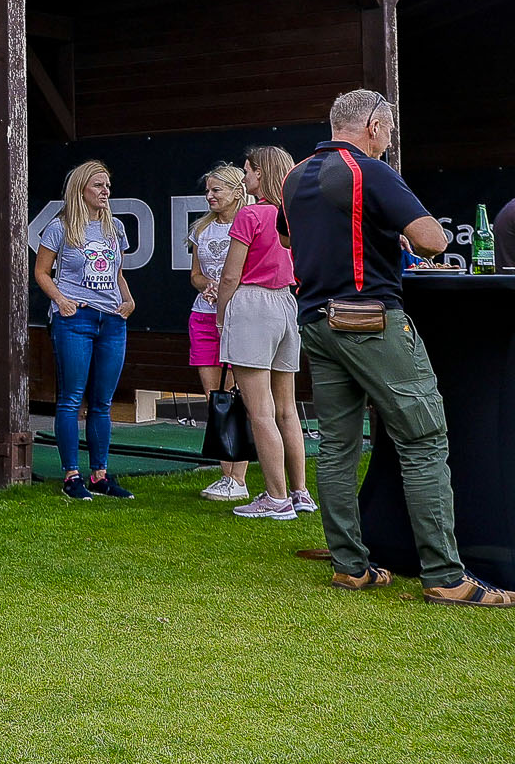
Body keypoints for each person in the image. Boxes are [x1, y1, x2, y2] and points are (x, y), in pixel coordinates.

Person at [286, 89, 512, 605]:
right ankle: (445, 576)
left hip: (316, 321)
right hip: (371, 318)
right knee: (424, 438)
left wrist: (380, 234)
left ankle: (351, 567)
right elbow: (434, 239)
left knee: (339, 448)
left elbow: (303, 238)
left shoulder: (295, 176)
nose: (389, 141)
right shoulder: (370, 171)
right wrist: (400, 231)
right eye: (388, 131)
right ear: (371, 125)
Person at [217, 146, 314, 521]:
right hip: (286, 304)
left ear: (262, 173)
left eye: (248, 171)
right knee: (287, 409)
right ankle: (299, 492)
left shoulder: (251, 214)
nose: (244, 178)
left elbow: (230, 275)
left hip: (252, 305)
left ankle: (275, 499)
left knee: (261, 411)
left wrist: (222, 315)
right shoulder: (294, 215)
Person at [34, 160, 137, 502]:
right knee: (71, 398)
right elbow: (42, 272)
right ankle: (71, 475)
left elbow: (117, 273)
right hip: (75, 318)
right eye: (98, 186)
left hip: (111, 320)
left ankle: (100, 474)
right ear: (81, 190)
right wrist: (61, 301)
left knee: (102, 402)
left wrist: (128, 300)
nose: (106, 191)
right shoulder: (60, 227)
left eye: (108, 185)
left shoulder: (115, 227)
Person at [188, 164, 249, 500]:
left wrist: (228, 290)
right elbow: (195, 275)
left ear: (236, 191)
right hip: (203, 316)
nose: (210, 197)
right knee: (215, 399)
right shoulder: (202, 229)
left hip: (238, 318)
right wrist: (207, 285)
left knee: (237, 394)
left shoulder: (250, 222)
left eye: (216, 191)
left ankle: (239, 477)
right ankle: (227, 476)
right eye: (208, 191)